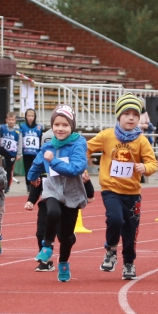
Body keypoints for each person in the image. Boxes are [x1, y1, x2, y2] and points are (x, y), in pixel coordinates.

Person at [88, 94, 158, 280]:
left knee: (130, 230)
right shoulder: (106, 136)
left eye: (135, 115)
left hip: (133, 192)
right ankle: (111, 249)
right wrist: (83, 167)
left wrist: (145, 168)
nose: (131, 118)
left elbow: (153, 164)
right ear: (118, 116)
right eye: (126, 114)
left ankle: (129, 263)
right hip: (110, 189)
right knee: (115, 219)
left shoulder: (142, 140)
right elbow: (85, 148)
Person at [27, 106, 89, 282]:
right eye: (56, 124)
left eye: (65, 125)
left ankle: (63, 262)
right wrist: (32, 178)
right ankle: (47, 245)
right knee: (52, 211)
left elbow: (76, 168)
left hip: (72, 192)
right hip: (52, 188)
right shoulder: (48, 146)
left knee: (67, 237)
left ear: (72, 127)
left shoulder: (78, 144)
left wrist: (52, 161)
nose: (60, 128)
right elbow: (37, 163)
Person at [0, 112, 20, 193]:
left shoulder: (18, 131)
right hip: (2, 149)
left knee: (9, 169)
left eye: (12, 120)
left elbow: (20, 142)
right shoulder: (2, 127)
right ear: (6, 120)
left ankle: (7, 186)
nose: (11, 121)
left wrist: (19, 154)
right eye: (9, 120)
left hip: (12, 153)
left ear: (15, 121)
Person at [19, 108, 43, 192]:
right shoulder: (22, 126)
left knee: (37, 168)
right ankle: (28, 184)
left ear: (34, 116)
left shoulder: (39, 127)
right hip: (26, 152)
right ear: (25, 116)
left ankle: (38, 185)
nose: (30, 118)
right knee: (27, 169)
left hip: (36, 152)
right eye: (29, 116)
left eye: (32, 116)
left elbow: (40, 140)